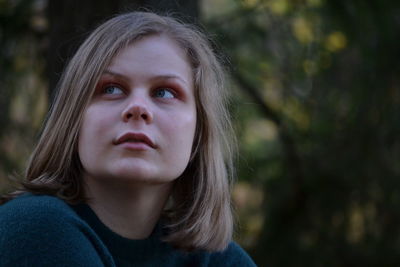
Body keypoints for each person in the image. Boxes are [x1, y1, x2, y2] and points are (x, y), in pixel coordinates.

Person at [0, 11, 256, 266]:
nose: (138, 107)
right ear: (74, 120)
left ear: (199, 134)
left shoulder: (220, 260)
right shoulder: (34, 226)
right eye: (111, 89)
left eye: (165, 92)